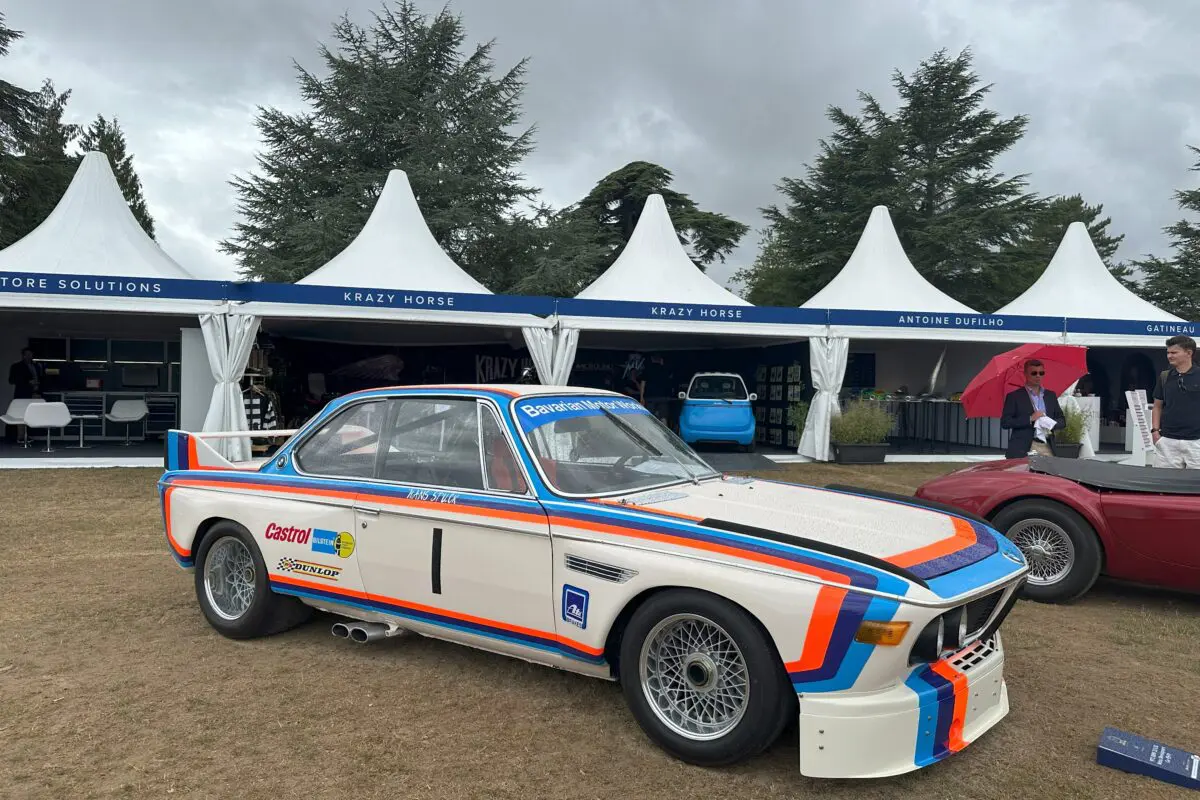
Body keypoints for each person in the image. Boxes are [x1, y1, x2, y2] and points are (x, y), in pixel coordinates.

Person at [1151, 335, 1200, 468]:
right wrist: (1155, 432)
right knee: (1164, 484)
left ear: (1189, 353)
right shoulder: (1164, 377)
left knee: (1195, 486)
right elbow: (1157, 406)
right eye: (1168, 352)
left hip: (1196, 442)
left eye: (1174, 352)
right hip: (1167, 440)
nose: (1169, 356)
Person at [1000, 359, 1065, 459]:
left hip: (1047, 445)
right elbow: (1005, 422)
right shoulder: (1014, 397)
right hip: (1024, 448)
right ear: (1025, 374)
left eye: (1041, 373)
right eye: (1034, 373)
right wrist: (1030, 419)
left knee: (1048, 475)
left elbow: (1062, 421)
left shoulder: (1050, 395)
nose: (1038, 376)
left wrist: (1049, 423)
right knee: (1025, 475)